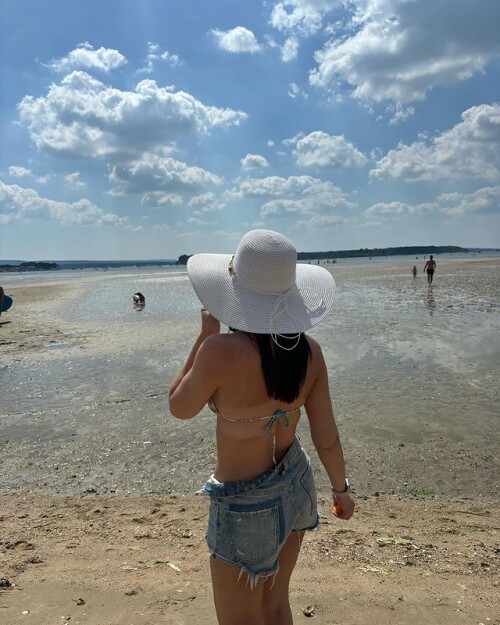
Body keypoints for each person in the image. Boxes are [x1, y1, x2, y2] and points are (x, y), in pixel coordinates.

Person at [169, 229, 354, 625]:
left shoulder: (219, 351)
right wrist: (341, 490)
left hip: (244, 504)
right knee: (275, 606)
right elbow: (326, 436)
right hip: (296, 483)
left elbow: (179, 407)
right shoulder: (309, 352)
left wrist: (204, 335)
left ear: (234, 294)